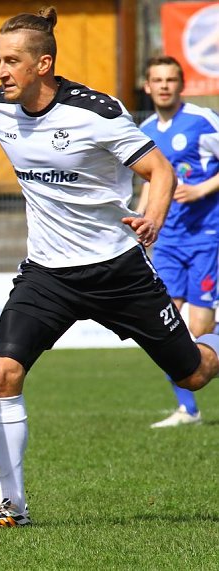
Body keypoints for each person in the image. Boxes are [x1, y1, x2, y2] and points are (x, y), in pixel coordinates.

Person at [0, 6, 219, 528]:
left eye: (11, 61)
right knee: (1, 372)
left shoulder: (96, 113)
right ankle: (10, 505)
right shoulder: (4, 109)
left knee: (194, 374)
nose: (0, 71)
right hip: (47, 275)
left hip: (117, 270)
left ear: (43, 64)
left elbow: (159, 169)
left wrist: (151, 218)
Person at [137, 55, 219, 428]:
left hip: (206, 238)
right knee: (164, 327)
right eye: (158, 79)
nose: (164, 85)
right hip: (167, 240)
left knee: (200, 332)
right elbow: (148, 182)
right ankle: (188, 410)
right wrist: (139, 224)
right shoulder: (145, 129)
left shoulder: (202, 121)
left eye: (171, 79)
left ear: (180, 84)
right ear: (147, 86)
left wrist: (202, 188)